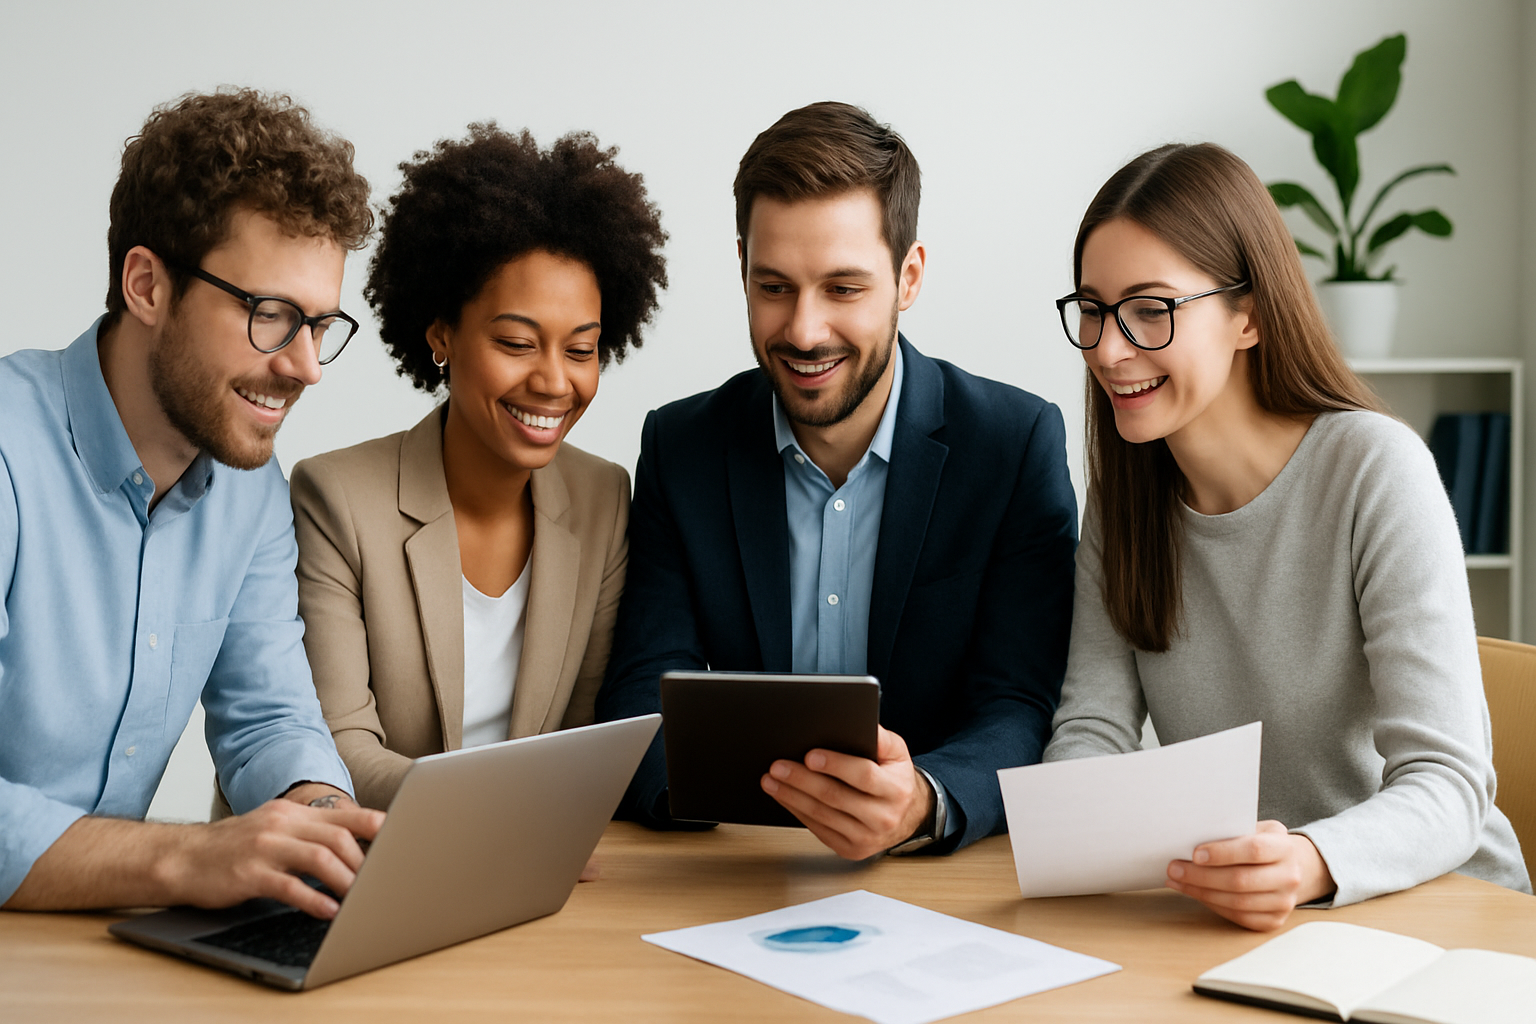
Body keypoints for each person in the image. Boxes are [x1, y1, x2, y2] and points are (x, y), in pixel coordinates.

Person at [1043, 142, 1530, 930]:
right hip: (1253, 916)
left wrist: (1307, 861)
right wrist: (1070, 830)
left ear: (1250, 315)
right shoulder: (1126, 498)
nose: (1108, 347)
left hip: (1443, 911)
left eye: (1150, 310)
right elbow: (1092, 728)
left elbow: (1448, 782)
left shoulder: (1376, 470)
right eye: (1093, 309)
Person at [595, 101, 1077, 859]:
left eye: (843, 289)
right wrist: (744, 801)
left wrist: (923, 800)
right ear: (743, 270)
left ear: (908, 277)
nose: (803, 330)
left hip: (936, 877)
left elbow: (1021, 704)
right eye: (774, 286)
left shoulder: (1014, 446)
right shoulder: (681, 447)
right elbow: (642, 690)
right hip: (732, 863)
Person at [0, 89, 383, 920]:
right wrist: (186, 857)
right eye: (271, 315)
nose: (306, 367)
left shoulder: (250, 487)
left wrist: (326, 821)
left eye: (321, 325)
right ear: (147, 285)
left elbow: (268, 718)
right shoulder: (8, 451)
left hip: (90, 943)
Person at [292, 125, 667, 811]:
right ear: (442, 333)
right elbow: (336, 748)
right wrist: (499, 810)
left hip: (535, 859)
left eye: (581, 350)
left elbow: (586, 736)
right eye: (517, 343)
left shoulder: (603, 497)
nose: (554, 382)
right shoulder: (336, 498)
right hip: (373, 854)